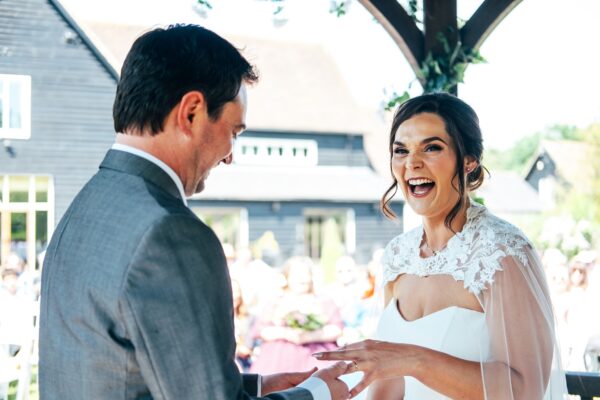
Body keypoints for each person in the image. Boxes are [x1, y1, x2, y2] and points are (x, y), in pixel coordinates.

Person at [39, 24, 349, 400]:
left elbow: (125, 366)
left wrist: (256, 385)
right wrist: (317, 393)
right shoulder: (168, 232)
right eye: (233, 131)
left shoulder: (85, 207)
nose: (231, 155)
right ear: (191, 112)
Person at [314, 93, 567, 399]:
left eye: (431, 147)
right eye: (401, 151)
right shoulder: (398, 255)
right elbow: (389, 383)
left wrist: (414, 360)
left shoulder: (502, 252)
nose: (412, 163)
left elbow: (528, 389)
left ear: (469, 161)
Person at [250, 256, 343, 375]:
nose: (301, 278)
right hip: (278, 360)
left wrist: (309, 336)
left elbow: (337, 329)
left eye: (305, 273)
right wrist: (286, 333)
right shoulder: (276, 301)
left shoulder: (324, 300)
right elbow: (262, 330)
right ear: (287, 277)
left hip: (316, 357)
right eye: (296, 274)